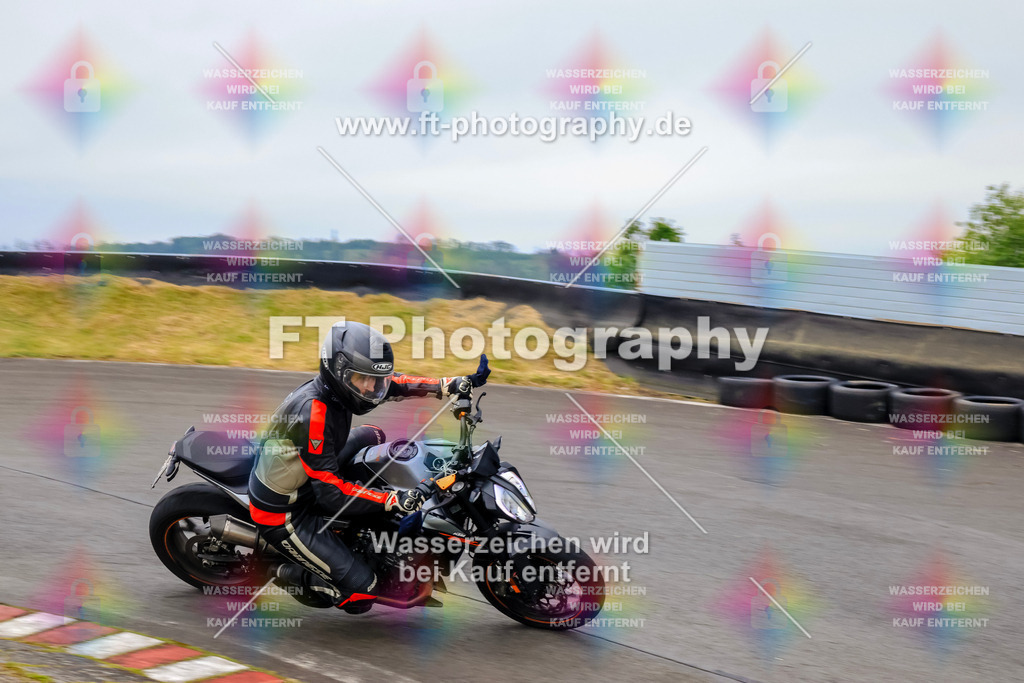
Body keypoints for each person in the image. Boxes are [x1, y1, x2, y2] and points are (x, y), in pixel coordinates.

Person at [247, 321, 489, 612]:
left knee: (374, 436)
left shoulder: (343, 387)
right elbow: (331, 496)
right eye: (365, 379)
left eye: (377, 379)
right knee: (361, 595)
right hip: (287, 509)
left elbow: (396, 383)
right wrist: (393, 499)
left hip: (316, 463)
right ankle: (279, 571)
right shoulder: (314, 411)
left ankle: (353, 534)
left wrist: (447, 385)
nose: (374, 388)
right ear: (339, 373)